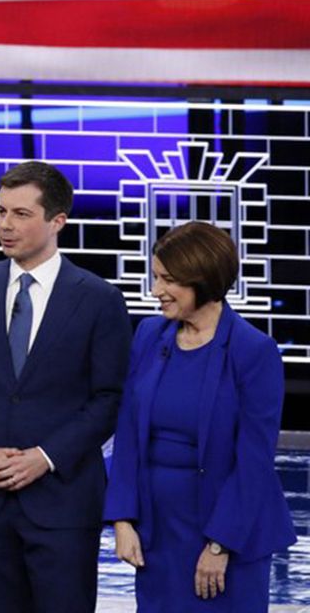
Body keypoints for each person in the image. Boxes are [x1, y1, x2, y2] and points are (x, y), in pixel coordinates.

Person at [0, 161, 131, 613]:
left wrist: (45, 457)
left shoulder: (99, 298)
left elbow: (109, 398)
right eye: (1, 212)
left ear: (57, 221)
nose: (5, 225)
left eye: (20, 214)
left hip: (62, 501)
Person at [105, 221, 295, 611]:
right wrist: (123, 518)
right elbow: (127, 430)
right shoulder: (148, 335)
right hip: (157, 532)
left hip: (228, 531)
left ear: (204, 281)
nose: (156, 291)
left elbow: (254, 459)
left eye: (168, 280)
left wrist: (220, 543)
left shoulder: (253, 351)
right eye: (156, 276)